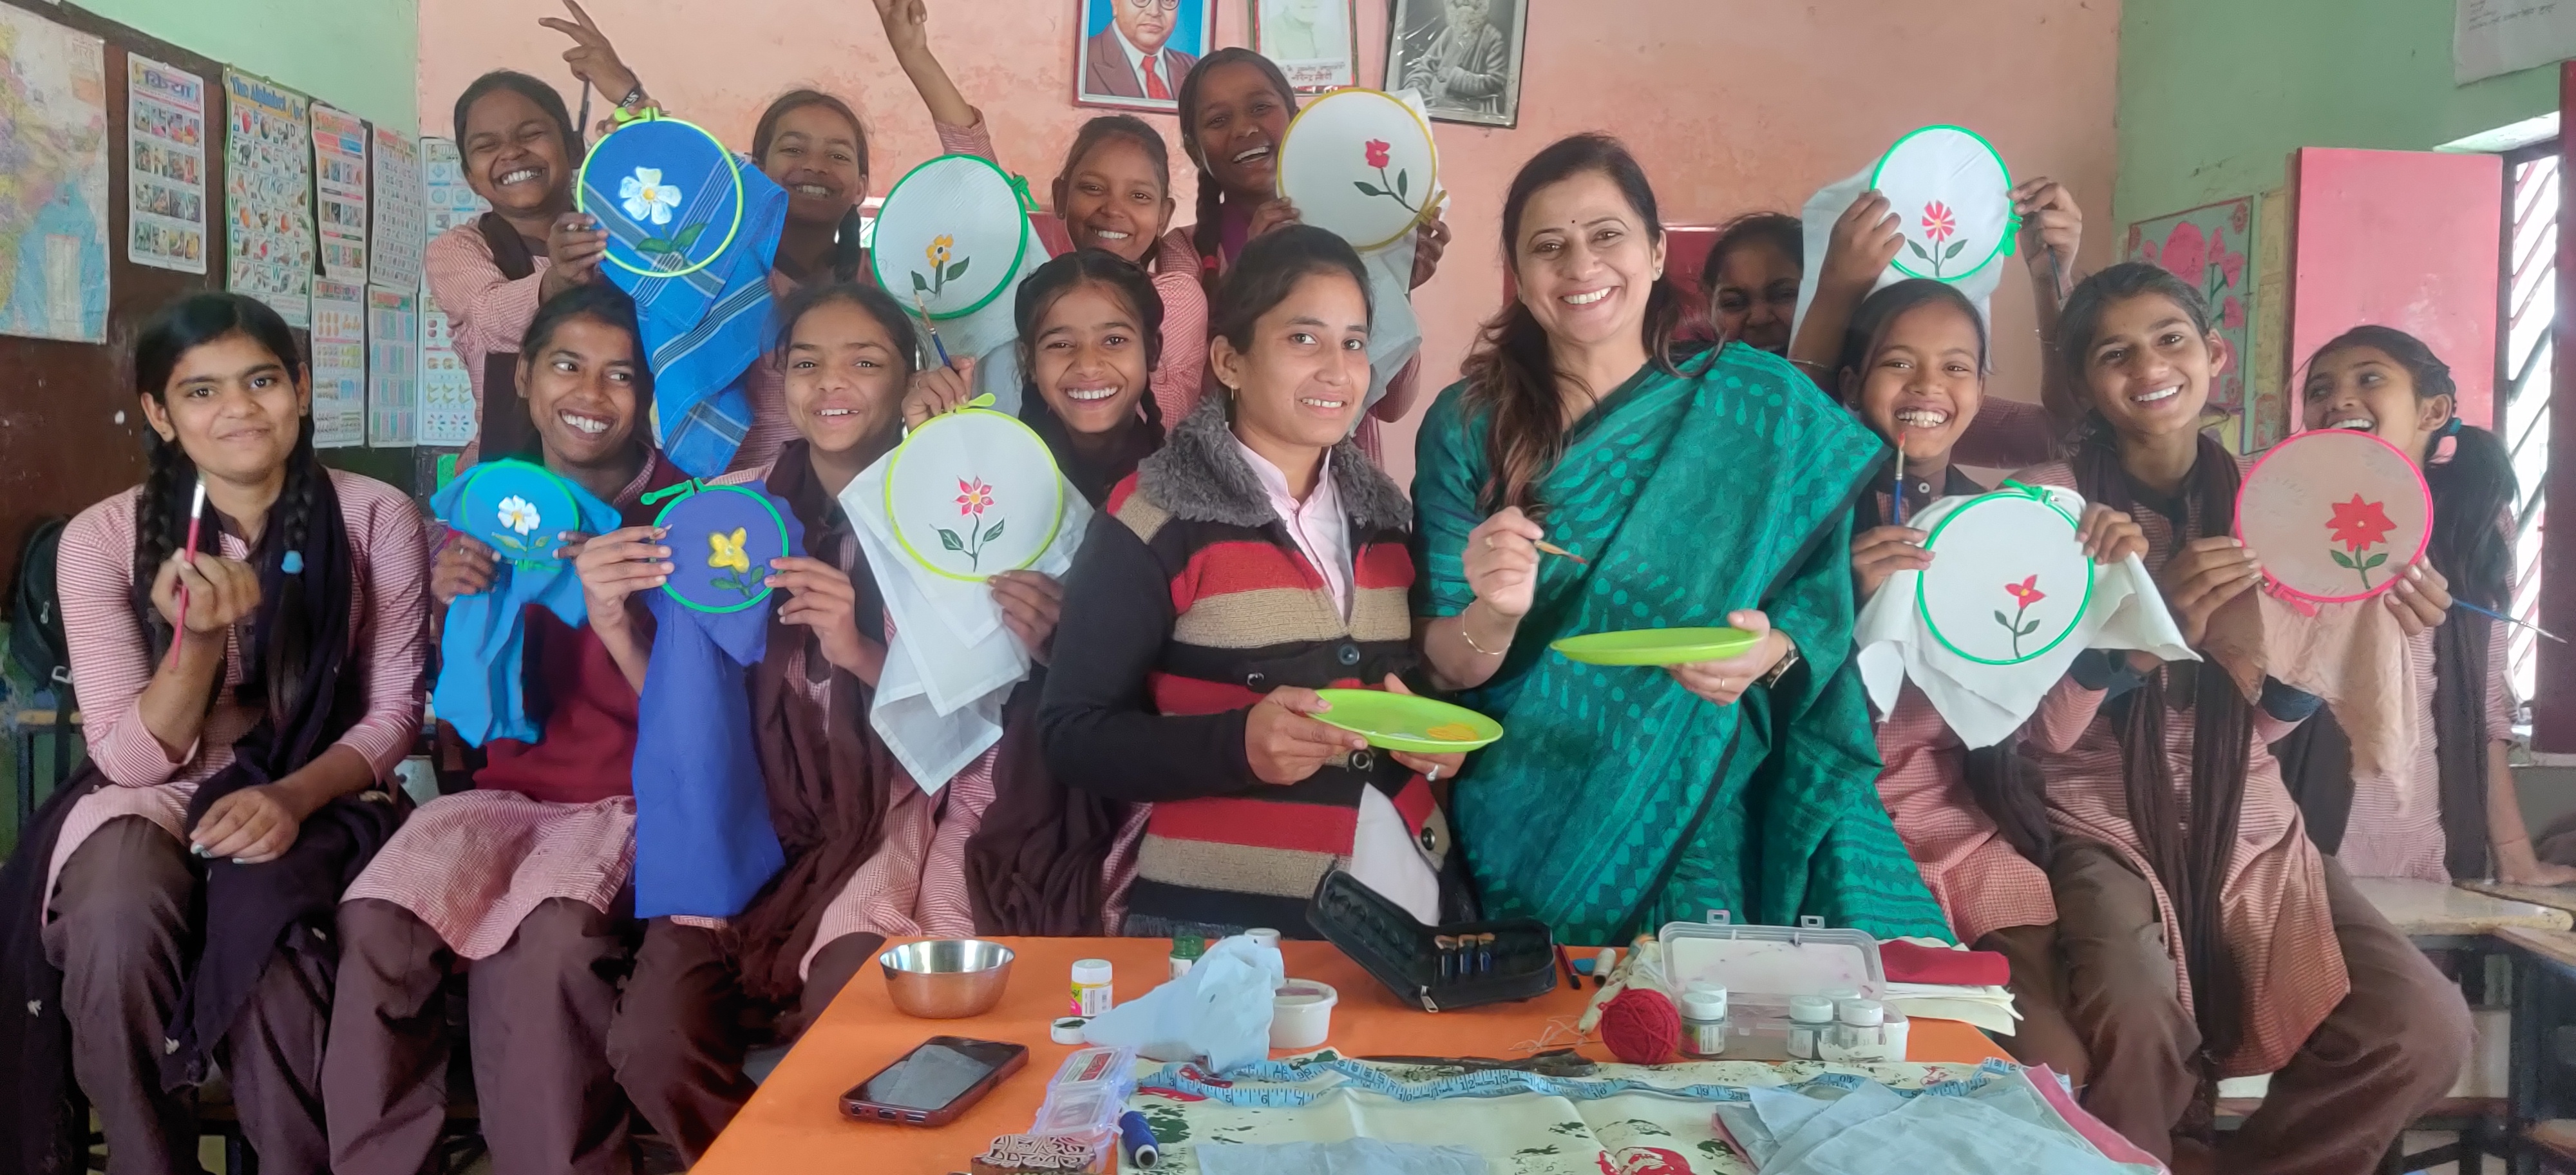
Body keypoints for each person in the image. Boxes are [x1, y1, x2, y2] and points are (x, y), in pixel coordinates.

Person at [1409, 133, 1949, 946]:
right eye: (1547, 247)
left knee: (1701, 1005)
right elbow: (1448, 663)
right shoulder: (1466, 424)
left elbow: (1818, 606)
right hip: (1528, 800)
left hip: (1702, 779)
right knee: (1544, 1013)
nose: (1580, 265)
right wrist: (1493, 612)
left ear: (1658, 252)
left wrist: (1767, 653)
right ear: (1517, 273)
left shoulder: (1760, 406)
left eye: (1606, 235)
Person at [604, 280, 1084, 1159]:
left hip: (888, 812)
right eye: (807, 363)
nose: (832, 383)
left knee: (850, 1010)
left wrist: (855, 646)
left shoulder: (951, 512)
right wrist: (609, 622)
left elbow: (972, 714)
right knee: (652, 1043)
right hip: (743, 819)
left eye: (864, 362)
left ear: (908, 377)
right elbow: (682, 709)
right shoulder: (727, 511)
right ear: (780, 378)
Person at [2014, 263, 2470, 1170]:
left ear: (2214, 355)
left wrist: (2353, 621)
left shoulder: (2279, 502)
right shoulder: (2046, 503)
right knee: (2132, 1011)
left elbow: (2256, 729)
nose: (2150, 366)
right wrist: (2147, 637)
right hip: (2096, 821)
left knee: (2418, 1026)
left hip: (2249, 818)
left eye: (2170, 340)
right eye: (2115, 353)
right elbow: (2037, 736)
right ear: (2087, 385)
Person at [0, 292, 428, 1175]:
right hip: (155, 788)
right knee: (112, 915)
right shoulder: (102, 538)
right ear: (160, 413)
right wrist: (196, 642)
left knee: (277, 943)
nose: (239, 410)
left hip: (319, 784)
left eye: (261, 381)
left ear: (300, 388)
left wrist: (290, 797)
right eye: (201, 392)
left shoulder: (375, 516)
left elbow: (393, 713)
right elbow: (127, 760)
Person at [325, 285, 688, 1175]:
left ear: (649, 395)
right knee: (377, 918)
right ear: (524, 377)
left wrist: (615, 608)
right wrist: (452, 602)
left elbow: (703, 720)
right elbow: (451, 694)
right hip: (504, 798)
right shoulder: (483, 508)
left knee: (548, 946)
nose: (590, 395)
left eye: (621, 376)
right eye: (567, 366)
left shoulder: (684, 516)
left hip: (633, 801)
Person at [1043, 225, 1466, 937]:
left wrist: (1432, 737)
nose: (1337, 370)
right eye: (1304, 339)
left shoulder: (1386, 519)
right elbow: (1071, 735)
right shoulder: (1152, 515)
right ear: (1229, 361)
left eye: (1354, 343)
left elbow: (1402, 688)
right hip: (1226, 936)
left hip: (1410, 921)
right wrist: (1236, 745)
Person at [1833, 278, 2146, 1082]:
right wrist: (1836, 605)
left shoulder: (2010, 530)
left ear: (1981, 387)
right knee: (1908, 1062)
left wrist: (2098, 606)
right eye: (1898, 363)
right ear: (1853, 382)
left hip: (1959, 827)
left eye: (1956, 366)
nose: (1927, 386)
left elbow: (2046, 732)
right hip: (1835, 828)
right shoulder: (1806, 522)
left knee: (2056, 1061)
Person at [2277, 326, 2576, 884]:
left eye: (2369, 379)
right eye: (2319, 391)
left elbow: (2484, 708)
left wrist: (2515, 857)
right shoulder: (2281, 521)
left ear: (2432, 411)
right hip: (2300, 828)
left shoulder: (2475, 527)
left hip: (2428, 839)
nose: (2338, 400)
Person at [874, 0, 1208, 426]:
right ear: (1061, 197)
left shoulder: (1175, 299)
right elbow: (980, 180)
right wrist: (915, 55)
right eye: (1092, 188)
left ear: (1164, 215)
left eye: (1139, 196)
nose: (1113, 209)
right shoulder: (1035, 284)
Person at [1171, 48, 1452, 461]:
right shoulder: (1185, 254)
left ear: (1297, 118)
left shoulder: (1357, 234)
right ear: (1195, 150)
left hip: (1340, 481)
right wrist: (1253, 271)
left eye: (1260, 107)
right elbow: (1182, 400)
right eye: (1217, 120)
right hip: (1225, 476)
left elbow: (1392, 406)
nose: (1244, 128)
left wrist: (1398, 287)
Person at [1781, 178, 2092, 472]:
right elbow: (1785, 442)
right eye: (1899, 363)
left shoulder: (1925, 408)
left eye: (1783, 294)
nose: (1929, 385)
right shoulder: (1807, 466)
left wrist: (2049, 281)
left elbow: (2066, 438)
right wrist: (1835, 294)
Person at [906, 249, 1168, 506]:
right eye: (1061, 344)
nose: (1088, 366)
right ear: (1029, 361)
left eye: (1114, 340)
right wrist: (936, 449)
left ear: (1152, 351)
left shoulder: (1180, 487)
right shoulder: (987, 482)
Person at [1403, 0, 1509, 118]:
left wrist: (1454, 77)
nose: (1465, 2)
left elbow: (1497, 83)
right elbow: (1425, 66)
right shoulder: (1449, 33)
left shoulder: (1493, 37)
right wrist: (1416, 85)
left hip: (1472, 114)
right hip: (1437, 108)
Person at [1083, 0, 1200, 102]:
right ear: (1116, 3)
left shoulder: (1195, 68)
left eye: (1167, 0)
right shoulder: (1081, 60)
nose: (1154, 12)